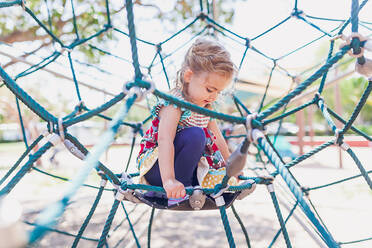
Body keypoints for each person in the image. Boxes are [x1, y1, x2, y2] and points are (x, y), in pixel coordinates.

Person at [136, 38, 239, 205]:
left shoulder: (206, 106)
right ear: (189, 76)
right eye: (210, 90)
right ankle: (176, 192)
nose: (214, 96)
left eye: (218, 92)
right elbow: (165, 141)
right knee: (196, 135)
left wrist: (232, 169)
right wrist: (169, 180)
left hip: (185, 168)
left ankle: (221, 189)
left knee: (222, 177)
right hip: (158, 169)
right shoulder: (174, 104)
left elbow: (219, 140)